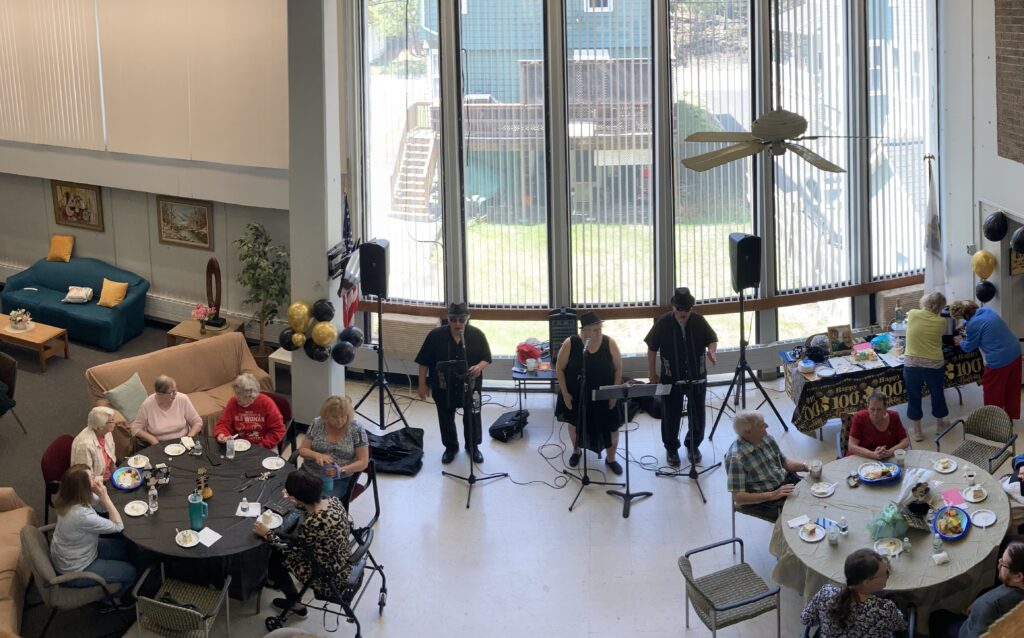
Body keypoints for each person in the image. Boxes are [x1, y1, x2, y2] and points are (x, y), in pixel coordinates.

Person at [253, 470, 352, 617]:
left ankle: (295, 602)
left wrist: (267, 534)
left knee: (275, 557)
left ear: (296, 497)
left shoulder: (315, 522)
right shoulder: (333, 501)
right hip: (341, 559)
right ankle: (277, 583)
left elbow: (290, 549)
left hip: (327, 575)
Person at [645, 286, 718, 466]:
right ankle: (671, 449)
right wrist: (651, 372)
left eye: (686, 310)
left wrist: (712, 351)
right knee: (670, 414)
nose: (683, 313)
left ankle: (693, 445)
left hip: (697, 375)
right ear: (673, 308)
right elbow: (652, 348)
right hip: (671, 377)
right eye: (679, 310)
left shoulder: (699, 320)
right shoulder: (663, 323)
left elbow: (712, 338)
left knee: (697, 413)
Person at [50, 464, 137, 610]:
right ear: (83, 488)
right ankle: (115, 601)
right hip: (77, 567)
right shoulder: (80, 515)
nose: (96, 478)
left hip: (74, 551)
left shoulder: (68, 498)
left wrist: (99, 493)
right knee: (131, 572)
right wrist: (105, 497)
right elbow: (118, 526)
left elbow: (100, 507)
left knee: (126, 548)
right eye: (91, 477)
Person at [415, 302, 492, 464]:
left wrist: (479, 367)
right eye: (453, 319)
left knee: (472, 416)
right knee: (445, 416)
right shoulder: (435, 335)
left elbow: (486, 358)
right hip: (443, 385)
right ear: (447, 319)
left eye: (461, 320)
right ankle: (451, 447)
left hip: (470, 385)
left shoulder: (477, 335)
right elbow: (423, 362)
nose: (457, 324)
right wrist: (422, 384)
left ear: (468, 319)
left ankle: (473, 447)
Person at [555, 312, 624, 475]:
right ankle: (576, 451)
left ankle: (611, 458)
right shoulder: (570, 343)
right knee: (575, 424)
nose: (598, 332)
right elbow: (559, 368)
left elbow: (618, 368)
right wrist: (565, 393)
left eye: (599, 328)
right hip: (577, 394)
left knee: (612, 427)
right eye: (594, 329)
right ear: (584, 331)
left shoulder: (609, 343)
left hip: (604, 395)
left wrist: (614, 393)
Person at [800, 549, 905, 637]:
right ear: (867, 582)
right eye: (886, 572)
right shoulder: (884, 609)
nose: (888, 575)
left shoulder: (826, 593)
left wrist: (827, 619)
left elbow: (806, 619)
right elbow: (901, 626)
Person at [929, 540, 1024, 637]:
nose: (999, 562)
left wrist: (975, 611)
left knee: (937, 617)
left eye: (1003, 563)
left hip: (967, 631)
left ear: (1018, 577)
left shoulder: (990, 605)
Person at [725, 410, 808, 521]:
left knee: (816, 496)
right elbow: (739, 498)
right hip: (765, 500)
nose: (767, 426)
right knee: (801, 517)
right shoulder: (736, 458)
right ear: (748, 432)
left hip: (784, 483)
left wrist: (806, 466)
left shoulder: (766, 438)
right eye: (761, 425)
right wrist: (773, 494)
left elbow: (785, 463)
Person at [952, 300, 1022, 419]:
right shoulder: (987, 310)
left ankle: (994, 420)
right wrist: (965, 323)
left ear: (965, 315)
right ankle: (1009, 417)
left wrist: (961, 342)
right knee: (1012, 388)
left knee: (992, 391)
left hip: (999, 360)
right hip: (1015, 352)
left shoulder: (972, 325)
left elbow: (969, 347)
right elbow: (977, 319)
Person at [297, 395, 369, 499]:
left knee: (321, 503)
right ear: (326, 416)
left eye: (343, 416)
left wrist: (340, 470)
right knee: (290, 495)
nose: (340, 421)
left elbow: (363, 462)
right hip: (310, 472)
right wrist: (316, 455)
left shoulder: (356, 429)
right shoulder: (317, 423)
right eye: (335, 417)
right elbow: (302, 450)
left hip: (339, 478)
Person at [904, 291, 949, 442]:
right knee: (937, 394)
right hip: (934, 364)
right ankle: (939, 426)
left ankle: (917, 432)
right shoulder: (942, 321)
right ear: (940, 307)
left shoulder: (912, 314)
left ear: (925, 301)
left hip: (912, 364)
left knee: (914, 396)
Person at [214, 373, 285, 449]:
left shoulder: (267, 404)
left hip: (263, 445)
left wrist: (261, 446)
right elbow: (224, 423)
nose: (237, 400)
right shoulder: (233, 401)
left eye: (242, 399)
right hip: (239, 444)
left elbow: (278, 430)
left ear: (253, 397)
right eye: (236, 394)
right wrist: (222, 434)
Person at [131, 375, 204, 445]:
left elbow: (197, 421)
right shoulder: (147, 405)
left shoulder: (182, 399)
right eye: (171, 392)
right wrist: (152, 440)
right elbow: (135, 428)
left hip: (182, 441)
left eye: (175, 390)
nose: (175, 394)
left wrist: (189, 437)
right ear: (159, 394)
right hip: (159, 444)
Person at [846, 390, 909, 459]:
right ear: (868, 408)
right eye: (872, 409)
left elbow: (905, 441)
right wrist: (872, 454)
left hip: (887, 459)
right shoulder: (860, 417)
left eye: (879, 409)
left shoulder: (894, 416)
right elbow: (851, 446)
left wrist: (890, 452)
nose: (875, 413)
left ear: (885, 409)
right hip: (862, 458)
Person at [71, 407, 118, 481]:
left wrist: (117, 473)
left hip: (108, 476)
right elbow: (85, 478)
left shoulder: (107, 433)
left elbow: (111, 460)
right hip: (95, 484)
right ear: (100, 426)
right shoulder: (84, 445)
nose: (115, 422)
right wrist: (108, 479)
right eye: (111, 421)